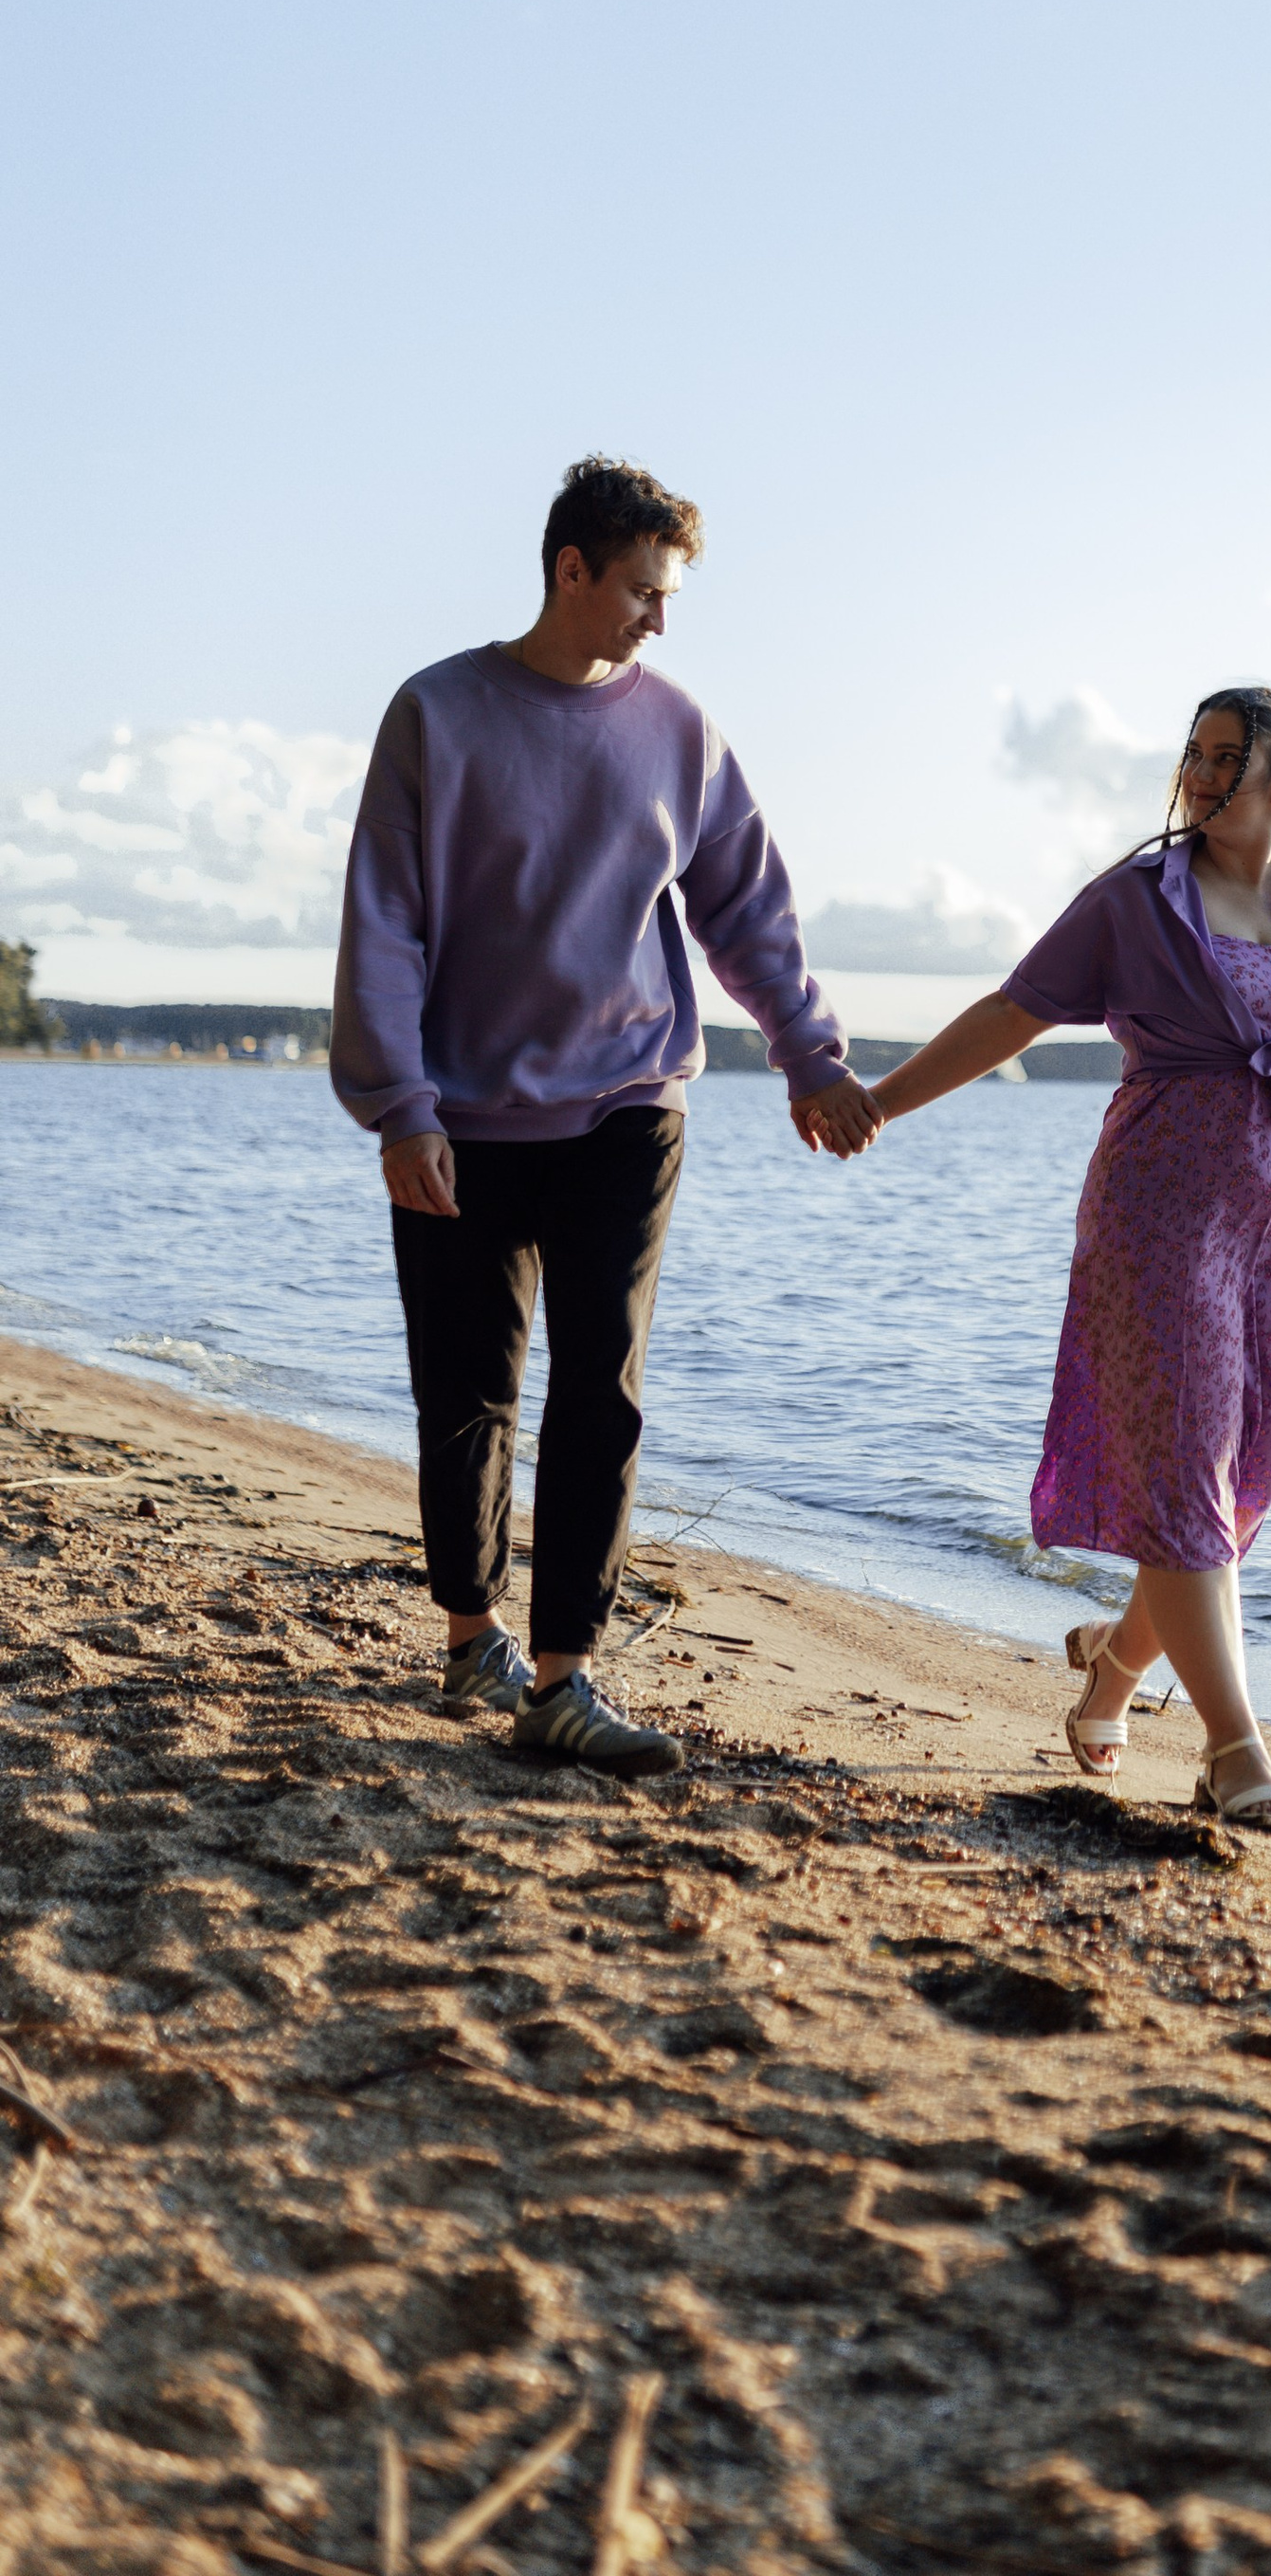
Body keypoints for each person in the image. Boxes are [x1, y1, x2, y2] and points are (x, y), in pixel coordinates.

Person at [332, 455, 879, 1778]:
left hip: (630, 1103)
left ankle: (564, 1677)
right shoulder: (438, 714)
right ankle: (472, 1634)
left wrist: (807, 1054)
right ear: (570, 570)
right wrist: (400, 1106)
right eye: (643, 588)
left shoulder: (679, 731)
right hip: (459, 1114)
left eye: (670, 592)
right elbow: (385, 924)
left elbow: (744, 903)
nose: (658, 617)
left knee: (601, 1392)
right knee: (465, 1393)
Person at [855, 685, 1271, 1833]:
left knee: (1236, 1485)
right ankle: (1235, 1750)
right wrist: (883, 1102)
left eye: (1231, 759)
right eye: (1195, 756)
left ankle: (1115, 1670)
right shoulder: (1134, 903)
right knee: (1182, 1481)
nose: (1205, 776)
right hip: (1155, 1222)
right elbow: (1011, 1011)